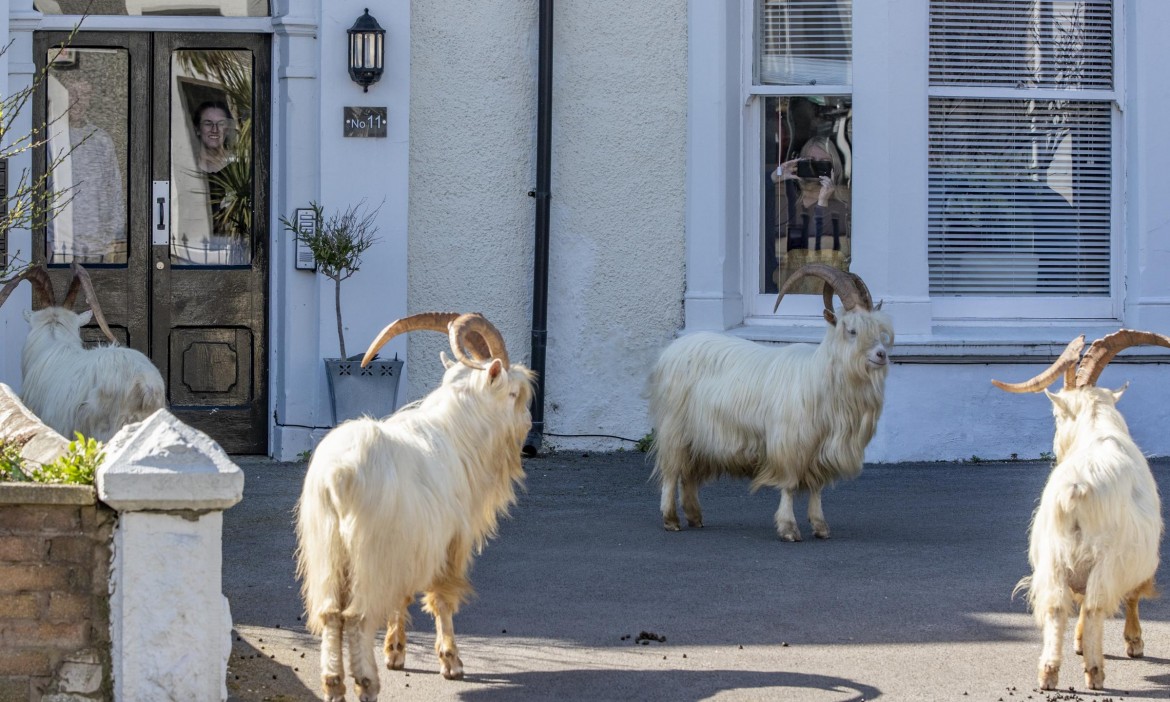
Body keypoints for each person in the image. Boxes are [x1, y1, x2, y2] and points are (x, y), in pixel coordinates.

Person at [47, 77, 127, 264]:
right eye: (72, 94)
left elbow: (113, 188)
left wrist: (115, 235)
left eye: (84, 95)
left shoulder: (101, 140)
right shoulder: (50, 138)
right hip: (58, 244)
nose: (77, 100)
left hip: (97, 245)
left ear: (90, 100)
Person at [771, 136, 851, 294]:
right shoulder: (785, 197)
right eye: (811, 161)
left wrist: (823, 202)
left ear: (833, 165)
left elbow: (817, 241)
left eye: (822, 162)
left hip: (828, 289)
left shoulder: (843, 202)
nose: (815, 167)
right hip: (785, 287)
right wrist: (776, 177)